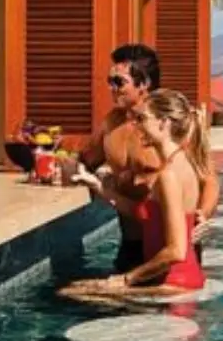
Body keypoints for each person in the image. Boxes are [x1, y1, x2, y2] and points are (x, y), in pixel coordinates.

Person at [72, 44, 219, 274]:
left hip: (170, 247)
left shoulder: (171, 128)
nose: (112, 89)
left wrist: (203, 213)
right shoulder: (111, 124)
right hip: (130, 242)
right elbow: (83, 162)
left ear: (144, 84)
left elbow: (208, 179)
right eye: (109, 82)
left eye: (119, 82)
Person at [60, 89, 208, 301]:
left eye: (142, 119)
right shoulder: (178, 162)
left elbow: (176, 251)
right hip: (174, 279)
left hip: (176, 284)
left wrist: (127, 280)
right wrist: (97, 186)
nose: (136, 126)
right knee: (76, 287)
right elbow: (142, 214)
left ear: (163, 123)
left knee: (68, 293)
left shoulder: (169, 175)